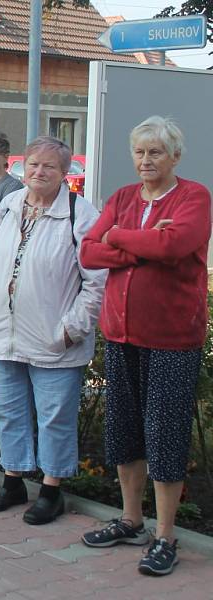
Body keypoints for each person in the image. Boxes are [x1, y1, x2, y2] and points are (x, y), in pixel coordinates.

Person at [79, 116, 211, 576]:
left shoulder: (194, 196)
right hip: (121, 333)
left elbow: (179, 244)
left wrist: (119, 237)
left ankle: (165, 535)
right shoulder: (121, 198)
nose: (146, 160)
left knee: (165, 433)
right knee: (125, 430)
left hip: (172, 337)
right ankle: (132, 520)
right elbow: (89, 251)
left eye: (156, 152)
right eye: (140, 151)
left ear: (175, 156)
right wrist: (139, 243)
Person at [0, 136, 106, 525]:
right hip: (4, 333)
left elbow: (97, 281)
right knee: (9, 413)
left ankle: (51, 490)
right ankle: (12, 480)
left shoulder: (81, 214)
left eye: (49, 166)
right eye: (32, 164)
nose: (39, 172)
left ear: (66, 172)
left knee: (54, 417)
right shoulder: (11, 205)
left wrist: (72, 329)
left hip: (55, 339)